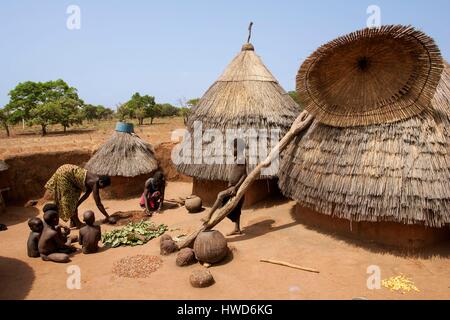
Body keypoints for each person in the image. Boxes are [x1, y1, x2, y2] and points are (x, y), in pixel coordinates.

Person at [44, 164, 114, 228]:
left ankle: (73, 222)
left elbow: (86, 195)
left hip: (66, 170)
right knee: (70, 202)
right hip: (65, 175)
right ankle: (78, 223)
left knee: (73, 201)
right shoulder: (95, 183)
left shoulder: (94, 179)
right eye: (103, 186)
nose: (101, 188)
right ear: (101, 181)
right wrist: (108, 216)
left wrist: (77, 204)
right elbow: (98, 203)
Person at [202, 138, 247, 235]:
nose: (231, 150)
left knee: (220, 195)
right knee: (237, 208)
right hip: (233, 187)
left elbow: (244, 175)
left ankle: (209, 215)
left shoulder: (241, 159)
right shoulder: (238, 159)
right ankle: (237, 229)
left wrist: (235, 187)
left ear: (238, 148)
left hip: (235, 188)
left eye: (232, 148)